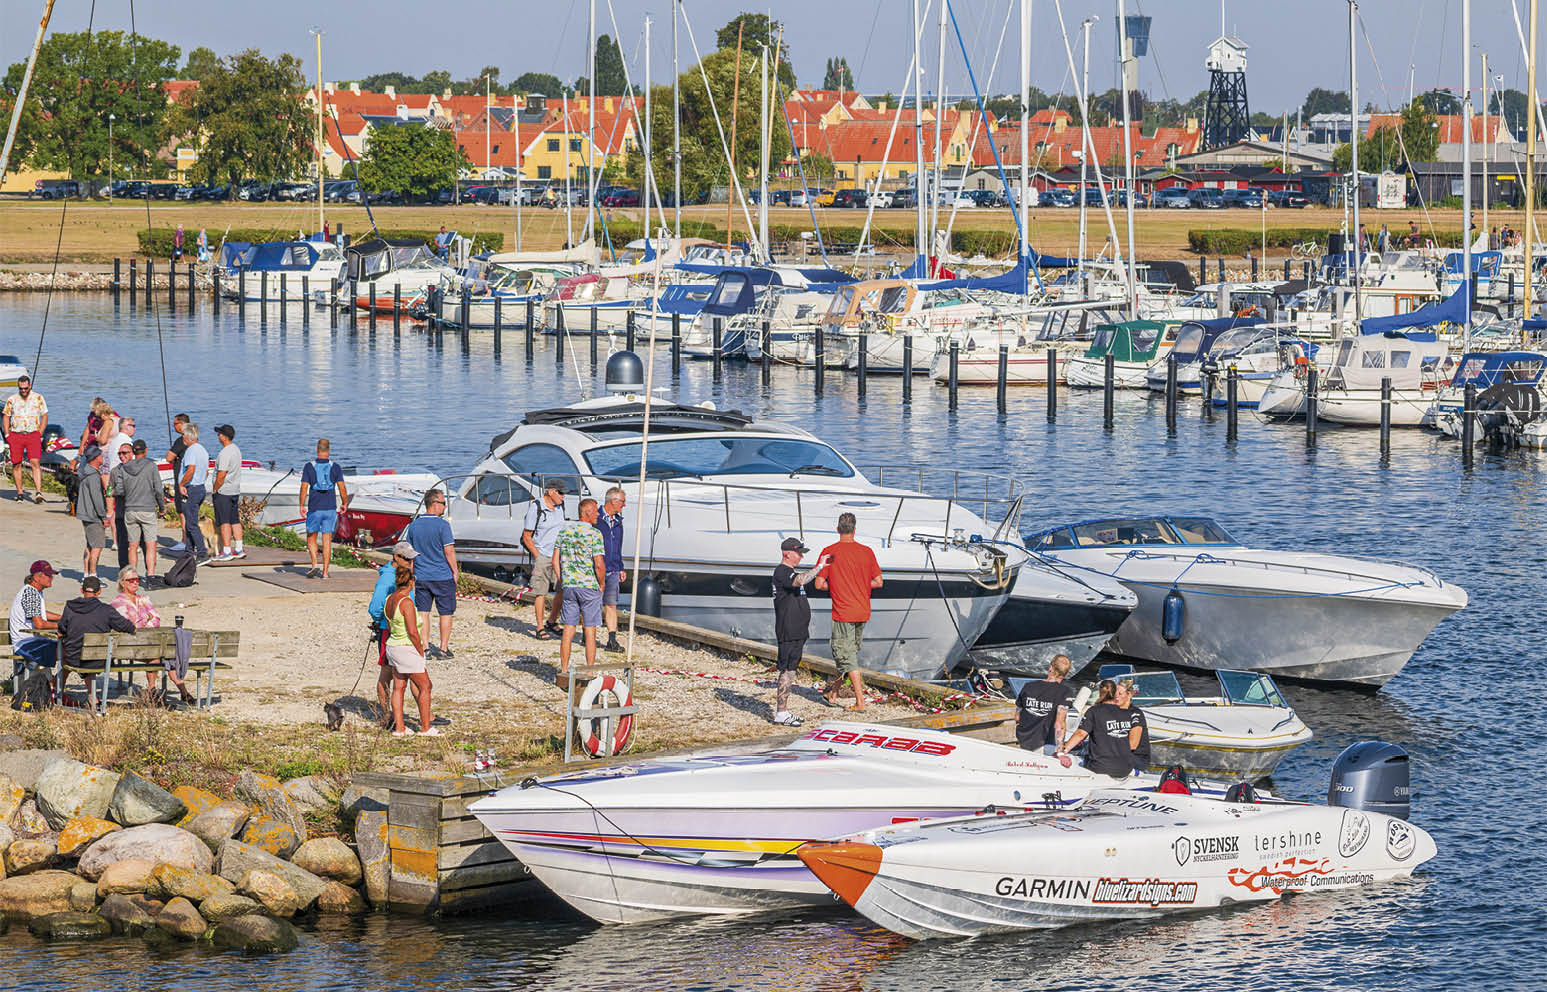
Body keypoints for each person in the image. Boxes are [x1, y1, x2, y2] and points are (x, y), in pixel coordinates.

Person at [814, 512, 882, 711]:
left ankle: (860, 702)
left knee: (847, 657)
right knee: (847, 655)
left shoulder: (829, 552)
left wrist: (837, 586)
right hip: (862, 610)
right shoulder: (867, 552)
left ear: (837, 529)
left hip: (843, 612)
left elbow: (819, 584)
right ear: (854, 530)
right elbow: (878, 582)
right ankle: (833, 694)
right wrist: (859, 585)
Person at [770, 537, 830, 726]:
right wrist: (819, 566)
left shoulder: (789, 572)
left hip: (798, 630)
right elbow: (800, 580)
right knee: (786, 669)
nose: (801, 556)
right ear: (787, 553)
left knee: (792, 668)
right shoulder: (782, 572)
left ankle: (784, 711)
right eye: (799, 553)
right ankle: (781, 713)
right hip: (788, 630)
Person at [110, 567, 192, 704]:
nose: (136, 583)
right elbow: (129, 623)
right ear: (122, 583)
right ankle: (153, 690)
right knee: (155, 655)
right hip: (128, 645)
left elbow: (156, 619)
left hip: (147, 643)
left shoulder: (143, 599)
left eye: (137, 580)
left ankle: (181, 690)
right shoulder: (117, 602)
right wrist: (147, 617)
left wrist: (143, 619)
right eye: (131, 580)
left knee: (169, 654)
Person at [56, 576, 135, 707]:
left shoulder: (70, 607)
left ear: (82, 590)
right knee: (91, 656)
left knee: (70, 656)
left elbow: (62, 629)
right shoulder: (106, 610)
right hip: (101, 660)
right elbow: (129, 627)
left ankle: (59, 693)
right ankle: (93, 698)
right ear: (99, 592)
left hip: (74, 658)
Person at [1056, 679, 1149, 783]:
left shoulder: (1094, 711)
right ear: (1113, 694)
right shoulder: (1127, 714)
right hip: (1125, 769)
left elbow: (1081, 734)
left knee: (1073, 759)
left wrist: (1062, 752)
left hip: (1100, 768)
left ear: (1099, 693)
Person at [554, 498, 606, 675]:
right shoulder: (595, 534)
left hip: (570, 586)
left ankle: (563, 670)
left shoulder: (564, 531)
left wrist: (564, 579)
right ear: (588, 512)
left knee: (568, 628)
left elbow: (556, 560)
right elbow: (598, 564)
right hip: (588, 585)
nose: (599, 514)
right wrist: (602, 583)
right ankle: (590, 671)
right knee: (590, 630)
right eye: (596, 511)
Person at [368, 542, 419, 723]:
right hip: (389, 632)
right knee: (388, 673)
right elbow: (374, 608)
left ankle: (424, 715)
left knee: (415, 673)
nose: (411, 562)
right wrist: (390, 620)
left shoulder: (405, 574)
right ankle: (386, 715)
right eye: (408, 559)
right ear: (397, 557)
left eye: (413, 559)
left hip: (408, 632)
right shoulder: (387, 578)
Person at [384, 565, 437, 736]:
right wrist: (420, 649)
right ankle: (425, 727)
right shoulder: (406, 602)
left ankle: (400, 728)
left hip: (392, 645)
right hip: (406, 647)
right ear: (412, 582)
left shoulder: (390, 599)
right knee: (425, 686)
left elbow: (391, 625)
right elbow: (413, 631)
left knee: (399, 686)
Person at [405, 488, 458, 658]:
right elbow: (449, 551)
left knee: (423, 612)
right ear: (434, 504)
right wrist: (455, 572)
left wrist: (411, 573)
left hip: (422, 575)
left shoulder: (413, 526)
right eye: (443, 503)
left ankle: (425, 647)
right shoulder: (443, 525)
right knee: (446, 612)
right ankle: (443, 648)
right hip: (442, 575)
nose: (444, 507)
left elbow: (410, 553)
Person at [109, 439, 164, 577]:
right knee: (129, 545)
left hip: (129, 510)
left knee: (137, 545)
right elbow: (110, 491)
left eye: (125, 452)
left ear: (132, 453)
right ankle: (134, 574)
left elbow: (119, 490)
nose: (122, 456)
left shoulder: (126, 469)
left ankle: (137, 573)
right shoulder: (116, 471)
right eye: (119, 453)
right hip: (129, 511)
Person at [521, 480, 567, 639]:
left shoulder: (561, 507)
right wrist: (537, 556)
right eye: (560, 492)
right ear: (550, 491)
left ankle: (552, 621)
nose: (563, 496)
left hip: (559, 556)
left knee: (561, 589)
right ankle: (540, 627)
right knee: (541, 592)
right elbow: (526, 536)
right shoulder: (536, 508)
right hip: (542, 554)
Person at [299, 438, 350, 579]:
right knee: (327, 540)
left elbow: (304, 487)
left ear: (317, 449)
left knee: (311, 537)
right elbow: (342, 487)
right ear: (329, 450)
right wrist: (344, 503)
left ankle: (315, 564)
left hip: (315, 507)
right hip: (330, 508)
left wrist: (301, 505)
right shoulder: (336, 467)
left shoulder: (309, 466)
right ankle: (326, 573)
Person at [1014, 655, 1074, 754]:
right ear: (1066, 673)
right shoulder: (1065, 692)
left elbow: (1017, 717)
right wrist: (1060, 752)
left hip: (1023, 739)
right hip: (1044, 743)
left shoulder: (1028, 686)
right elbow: (1059, 724)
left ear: (1050, 668)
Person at [9, 560, 60, 673]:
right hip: (25, 644)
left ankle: (52, 684)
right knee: (68, 651)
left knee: (68, 649)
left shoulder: (33, 591)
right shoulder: (31, 593)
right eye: (48, 575)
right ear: (37, 577)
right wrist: (61, 625)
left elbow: (39, 612)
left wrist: (62, 617)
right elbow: (39, 624)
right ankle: (54, 686)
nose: (51, 578)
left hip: (29, 641)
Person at [3, 374, 47, 503]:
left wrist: (40, 432)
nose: (23, 391)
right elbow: (6, 416)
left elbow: (44, 415)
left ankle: (38, 492)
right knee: (16, 463)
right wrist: (7, 434)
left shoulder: (38, 398)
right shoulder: (12, 399)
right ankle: (20, 492)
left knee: (35, 462)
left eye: (25, 388)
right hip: (16, 434)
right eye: (21, 388)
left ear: (30, 386)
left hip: (33, 434)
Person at [595, 486, 627, 653]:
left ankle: (612, 639)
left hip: (613, 569)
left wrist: (620, 566)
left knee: (611, 604)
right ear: (613, 501)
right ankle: (589, 635)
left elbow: (618, 546)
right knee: (593, 603)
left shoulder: (618, 522)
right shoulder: (596, 518)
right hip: (597, 568)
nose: (624, 505)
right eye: (622, 501)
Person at [211, 424, 245, 561]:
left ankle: (226, 550)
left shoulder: (225, 453)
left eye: (219, 434)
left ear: (224, 437)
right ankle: (238, 548)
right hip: (234, 490)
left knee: (224, 521)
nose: (218, 436)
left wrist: (215, 488)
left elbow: (222, 474)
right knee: (234, 519)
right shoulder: (236, 449)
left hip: (224, 491)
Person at [177, 424, 210, 562]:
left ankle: (202, 552)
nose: (183, 438)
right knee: (191, 519)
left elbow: (190, 469)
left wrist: (182, 484)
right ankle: (189, 551)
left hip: (192, 488)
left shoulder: (191, 450)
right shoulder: (203, 450)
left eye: (184, 435)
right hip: (200, 487)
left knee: (191, 523)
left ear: (188, 436)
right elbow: (206, 471)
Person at [76, 445, 109, 578]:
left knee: (89, 545)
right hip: (94, 516)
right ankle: (93, 576)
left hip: (85, 514)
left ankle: (86, 574)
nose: (102, 457)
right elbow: (97, 499)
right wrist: (104, 517)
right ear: (95, 458)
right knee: (97, 547)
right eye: (100, 455)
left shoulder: (85, 472)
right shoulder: (94, 476)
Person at [165, 413, 190, 549]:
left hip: (181, 480)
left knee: (182, 511)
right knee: (190, 511)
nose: (173, 426)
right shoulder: (194, 439)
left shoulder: (181, 441)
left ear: (182, 424)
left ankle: (185, 540)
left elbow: (169, 457)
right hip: (191, 480)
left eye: (175, 424)